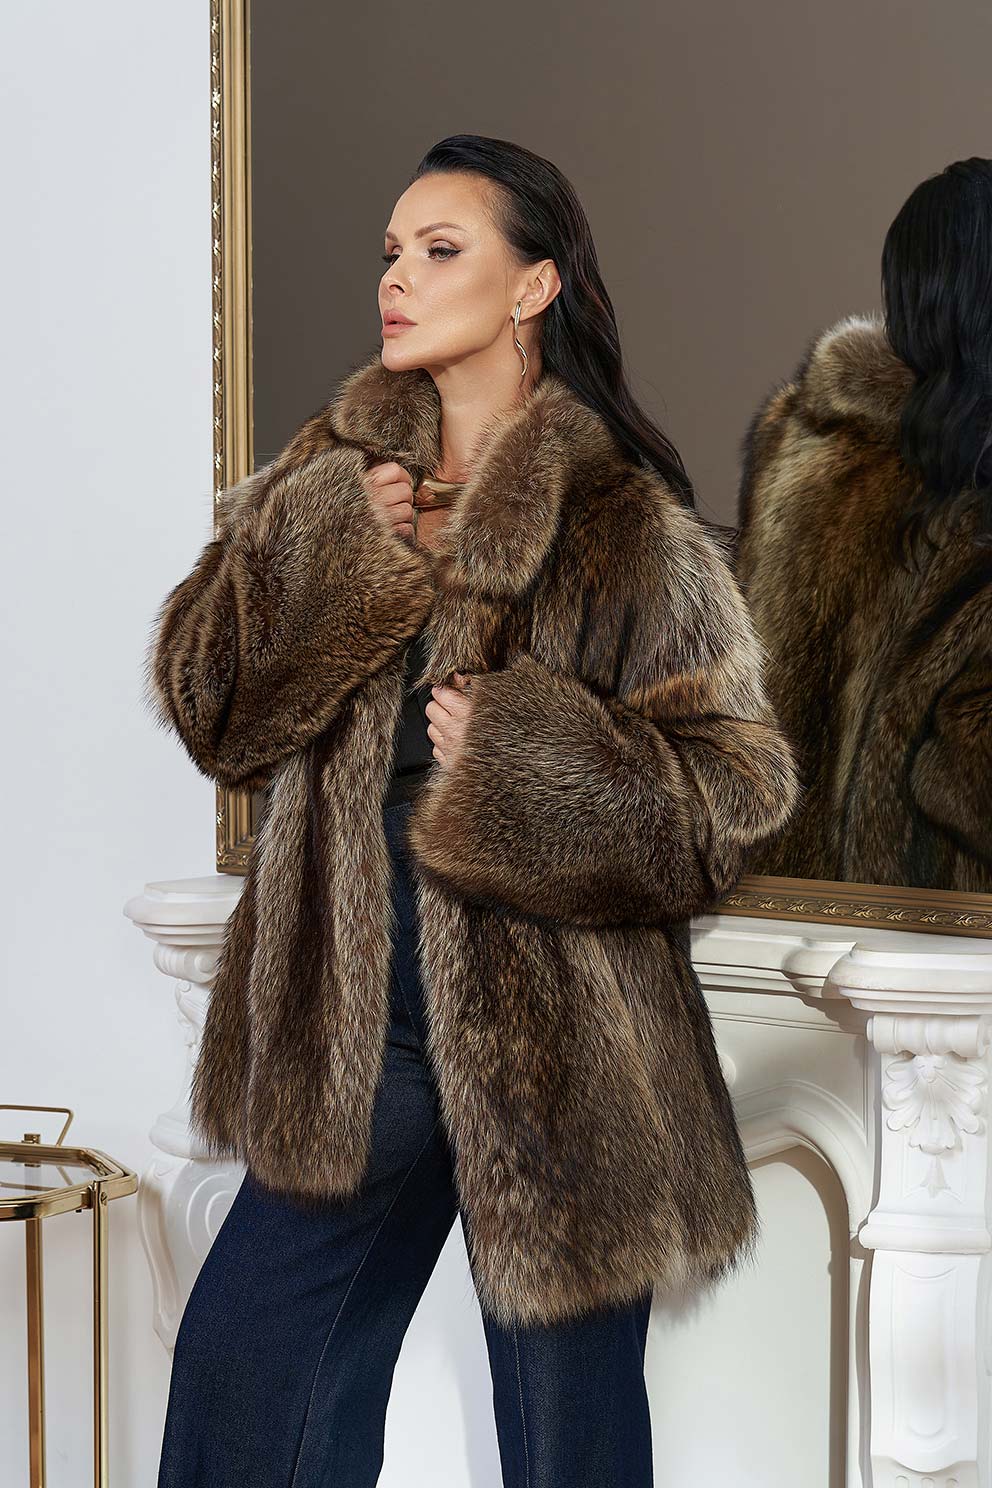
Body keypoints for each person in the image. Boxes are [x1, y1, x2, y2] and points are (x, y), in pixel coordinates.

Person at [147, 133, 799, 1487]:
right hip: (357, 1020)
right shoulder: (330, 481)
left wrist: (534, 759)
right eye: (392, 251)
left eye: (441, 250)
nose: (396, 276)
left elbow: (734, 801)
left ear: (532, 287)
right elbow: (214, 714)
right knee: (247, 1370)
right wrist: (331, 552)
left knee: (566, 1442)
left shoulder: (622, 524)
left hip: (562, 1038)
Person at [736, 156, 992, 891]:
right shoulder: (971, 487)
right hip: (936, 931)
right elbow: (962, 770)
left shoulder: (803, 445)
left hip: (778, 912)